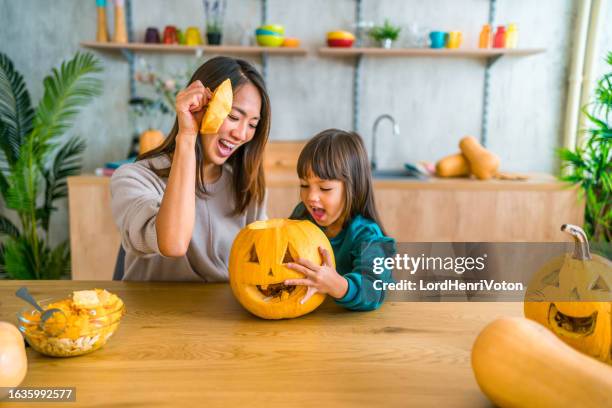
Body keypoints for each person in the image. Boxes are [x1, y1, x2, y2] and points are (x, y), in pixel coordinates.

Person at [110, 56, 270, 281]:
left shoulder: (246, 187)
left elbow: (260, 267)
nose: (242, 134)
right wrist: (187, 135)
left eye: (252, 124)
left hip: (221, 314)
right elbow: (173, 243)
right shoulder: (134, 178)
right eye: (234, 117)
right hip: (151, 315)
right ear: (201, 107)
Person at [286, 129, 396, 311]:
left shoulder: (367, 235)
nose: (311, 197)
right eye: (304, 185)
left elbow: (373, 290)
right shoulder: (302, 216)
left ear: (353, 188)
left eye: (325, 188)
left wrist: (336, 284)